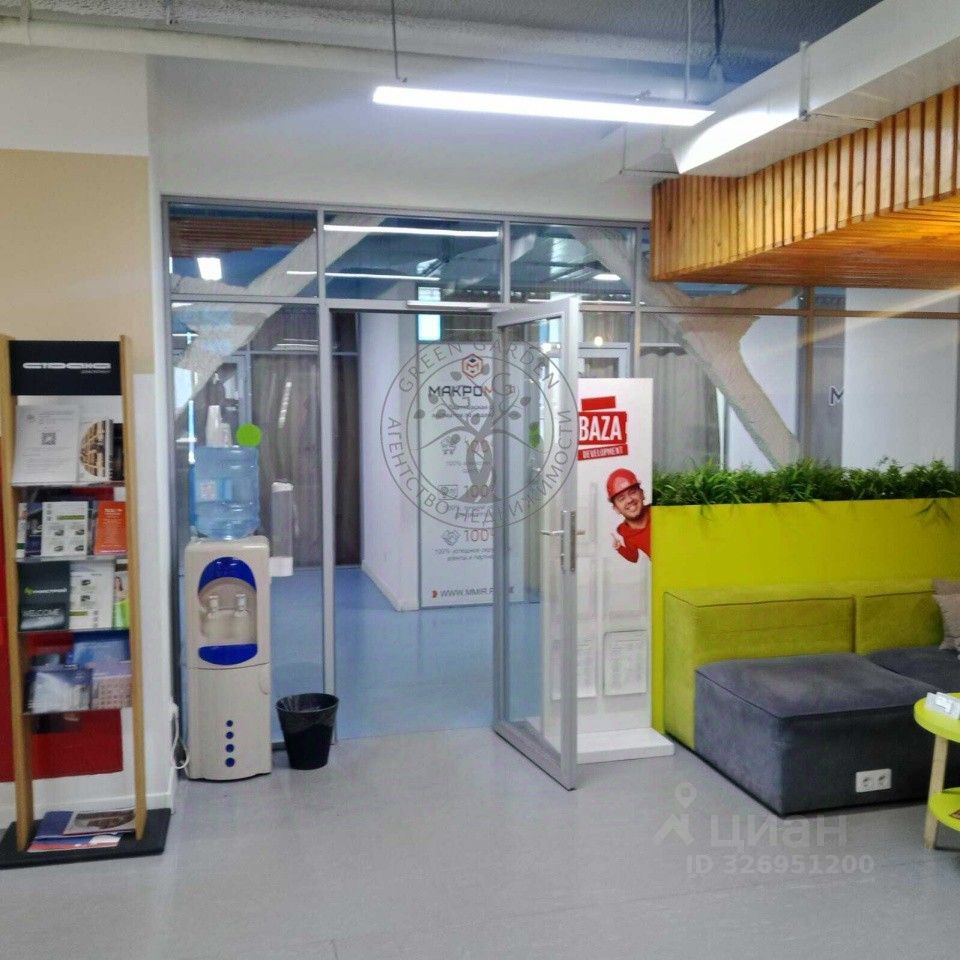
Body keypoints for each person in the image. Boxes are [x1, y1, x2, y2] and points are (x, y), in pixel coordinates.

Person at [607, 467, 650, 564]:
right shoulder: (627, 533)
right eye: (621, 499)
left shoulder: (659, 511)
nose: (629, 500)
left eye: (633, 492)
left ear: (642, 494)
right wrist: (619, 548)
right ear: (616, 509)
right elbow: (633, 557)